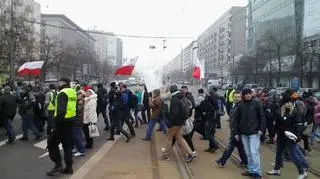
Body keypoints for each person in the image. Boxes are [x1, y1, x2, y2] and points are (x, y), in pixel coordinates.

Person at [267, 89, 309, 179]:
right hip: (281, 135)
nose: (288, 105)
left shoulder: (296, 107)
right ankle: (276, 169)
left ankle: (302, 172)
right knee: (279, 152)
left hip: (291, 135)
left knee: (293, 154)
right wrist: (273, 134)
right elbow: (277, 123)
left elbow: (298, 123)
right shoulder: (280, 108)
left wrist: (298, 135)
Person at [47, 78, 77, 176]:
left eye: (59, 82)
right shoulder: (72, 92)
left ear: (63, 83)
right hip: (71, 121)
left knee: (51, 143)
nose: (58, 84)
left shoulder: (62, 93)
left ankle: (58, 165)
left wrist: (55, 124)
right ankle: (69, 167)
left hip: (62, 123)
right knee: (67, 146)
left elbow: (61, 111)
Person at [233, 89, 266, 179]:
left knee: (254, 152)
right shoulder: (241, 105)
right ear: (243, 95)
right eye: (246, 94)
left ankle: (258, 172)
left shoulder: (257, 103)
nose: (248, 95)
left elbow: (262, 117)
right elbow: (236, 119)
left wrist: (261, 129)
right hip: (244, 133)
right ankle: (251, 170)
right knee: (248, 153)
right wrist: (236, 132)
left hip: (254, 132)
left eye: (249, 94)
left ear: (251, 94)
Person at [161, 85, 196, 163]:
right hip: (182, 121)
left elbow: (175, 113)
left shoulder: (174, 99)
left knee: (169, 137)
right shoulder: (182, 97)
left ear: (171, 91)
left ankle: (166, 155)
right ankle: (190, 153)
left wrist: (170, 122)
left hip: (175, 122)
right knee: (179, 138)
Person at [216, 91, 247, 167]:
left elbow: (241, 120)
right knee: (240, 147)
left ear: (241, 98)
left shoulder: (241, 107)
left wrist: (236, 131)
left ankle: (222, 161)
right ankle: (245, 161)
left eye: (238, 97)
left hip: (237, 131)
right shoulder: (236, 106)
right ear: (233, 98)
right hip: (234, 130)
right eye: (235, 97)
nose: (236, 98)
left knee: (230, 146)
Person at [73, 89, 86, 157]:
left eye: (78, 94)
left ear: (81, 95)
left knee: (77, 136)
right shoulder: (79, 100)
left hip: (78, 120)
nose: (77, 95)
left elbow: (77, 110)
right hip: (79, 120)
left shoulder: (80, 102)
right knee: (78, 135)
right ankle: (78, 148)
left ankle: (81, 150)